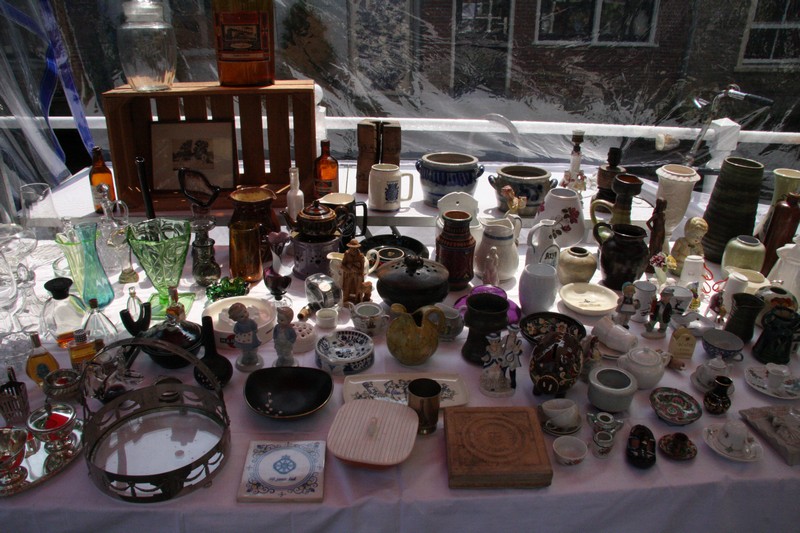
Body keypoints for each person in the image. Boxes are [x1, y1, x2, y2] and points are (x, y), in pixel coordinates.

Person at [228, 302, 263, 371]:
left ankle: (253, 357)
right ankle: (246, 357)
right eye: (241, 316)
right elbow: (236, 330)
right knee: (245, 350)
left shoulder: (250, 321)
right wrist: (239, 333)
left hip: (252, 338)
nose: (245, 315)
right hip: (243, 339)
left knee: (253, 349)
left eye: (245, 312)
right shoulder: (238, 325)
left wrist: (255, 330)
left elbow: (255, 326)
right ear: (236, 319)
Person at [646, 198, 668, 271]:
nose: (664, 207)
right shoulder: (656, 215)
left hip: (661, 233)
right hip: (656, 234)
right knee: (653, 249)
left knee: (659, 248)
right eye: (663, 206)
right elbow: (648, 222)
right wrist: (653, 230)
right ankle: (650, 264)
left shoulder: (663, 214)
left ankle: (656, 264)